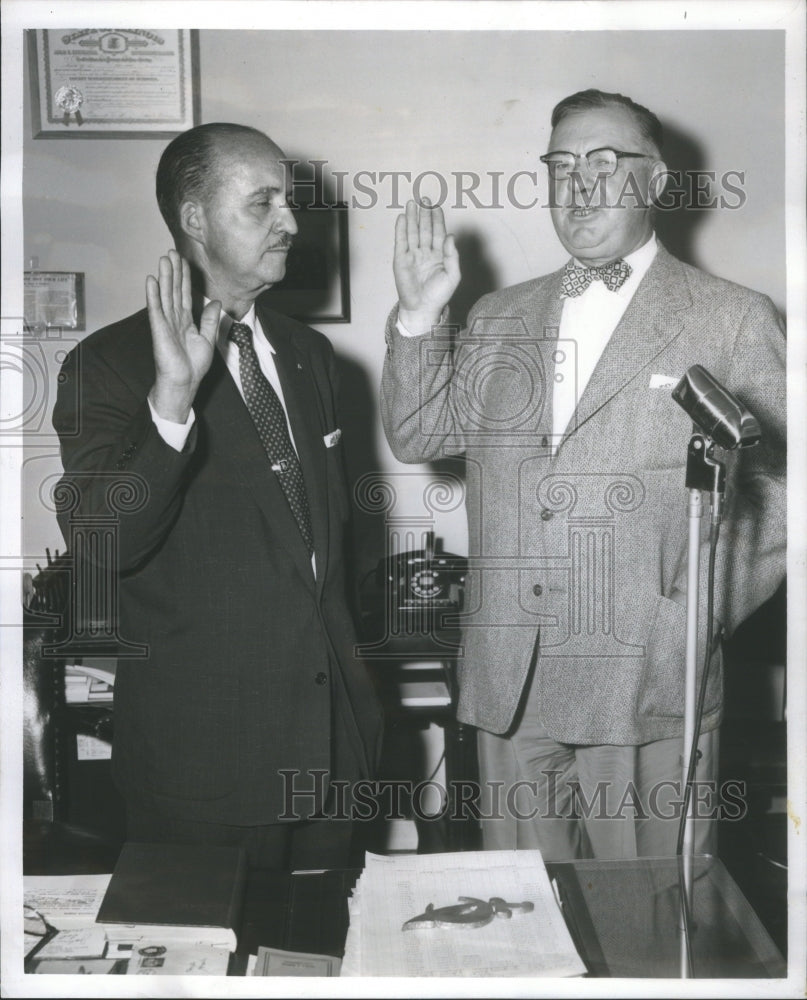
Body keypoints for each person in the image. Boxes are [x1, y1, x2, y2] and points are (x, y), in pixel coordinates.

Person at [381, 89, 786, 859]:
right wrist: (418, 318)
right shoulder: (500, 314)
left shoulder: (732, 317)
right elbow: (416, 432)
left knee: (647, 934)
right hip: (511, 685)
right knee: (524, 923)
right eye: (561, 165)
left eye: (605, 162)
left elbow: (783, 490)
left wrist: (692, 613)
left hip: (646, 683)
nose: (580, 185)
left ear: (657, 183)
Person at [52, 122, 383, 869]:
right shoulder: (105, 364)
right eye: (261, 203)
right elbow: (104, 545)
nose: (291, 222)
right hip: (203, 770)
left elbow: (330, 548)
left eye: (288, 202)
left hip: (333, 754)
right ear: (195, 220)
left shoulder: (310, 355)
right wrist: (171, 401)